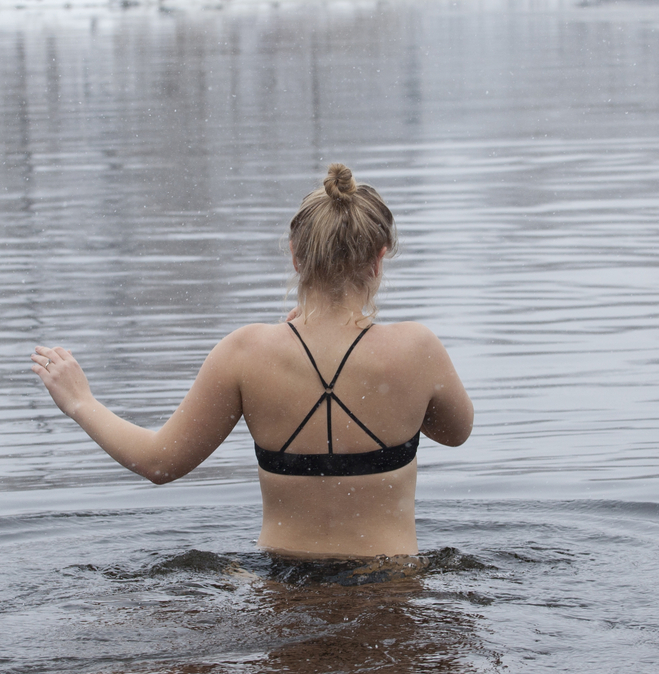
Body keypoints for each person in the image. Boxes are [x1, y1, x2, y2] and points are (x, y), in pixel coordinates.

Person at [31, 163, 473, 560]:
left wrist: (81, 402)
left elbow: (158, 462)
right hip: (390, 596)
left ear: (296, 257)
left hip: (283, 592)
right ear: (378, 261)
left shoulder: (245, 353)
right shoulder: (417, 350)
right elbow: (455, 433)